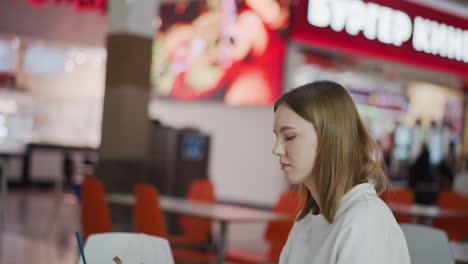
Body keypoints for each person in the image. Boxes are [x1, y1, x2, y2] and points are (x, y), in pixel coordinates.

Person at [273, 81, 410, 264]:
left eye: (289, 137)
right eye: (277, 137)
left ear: (330, 138)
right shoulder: (307, 218)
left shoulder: (365, 222)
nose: (277, 149)